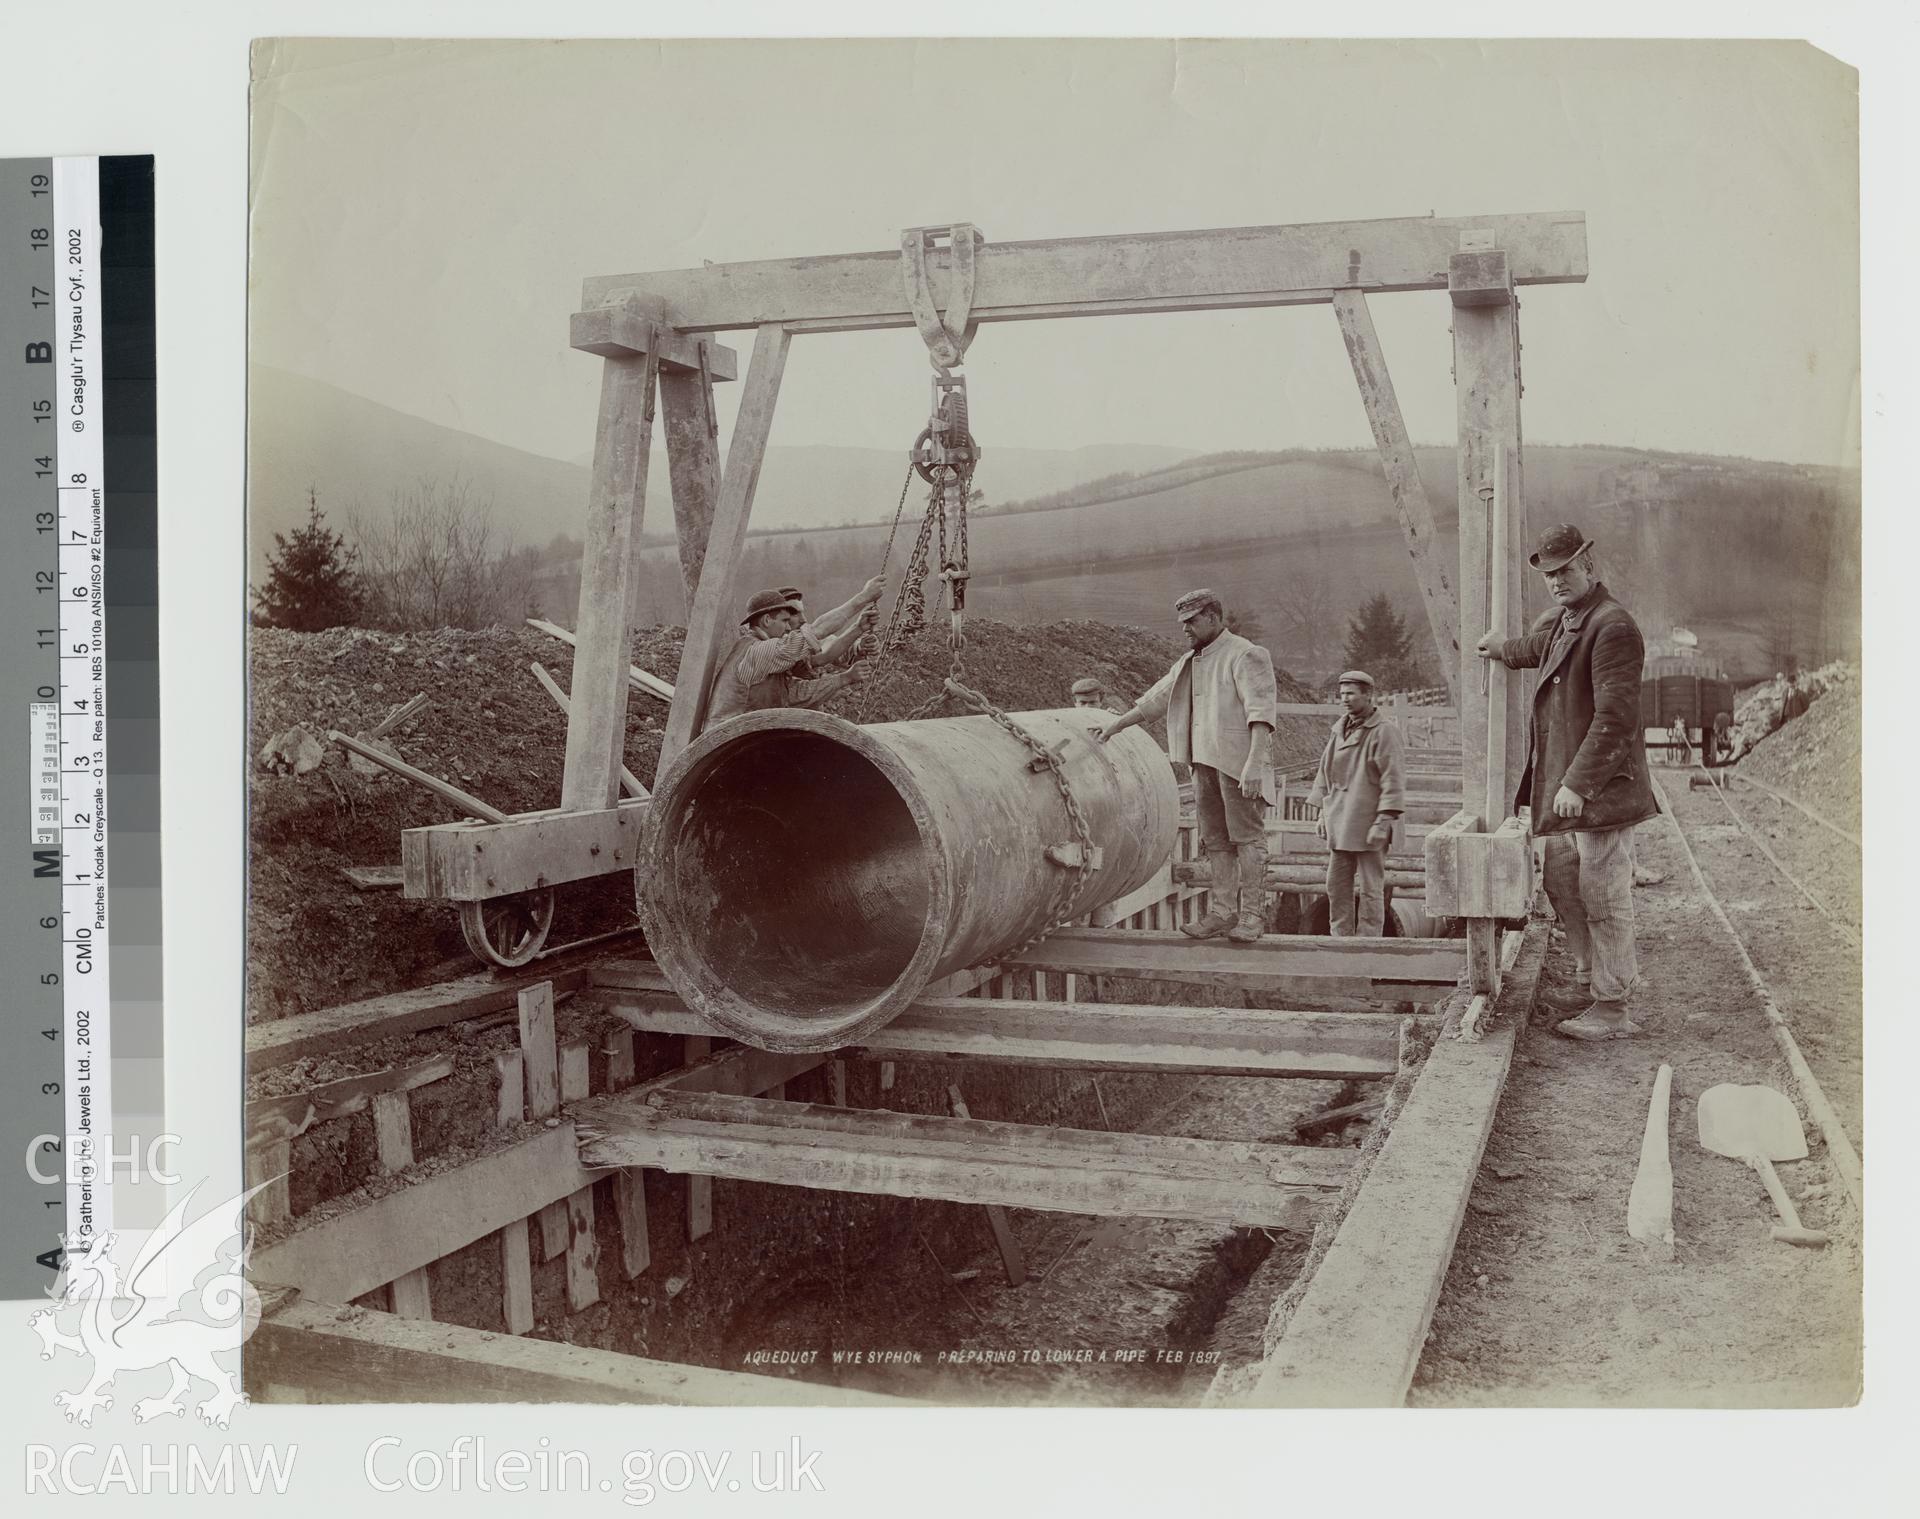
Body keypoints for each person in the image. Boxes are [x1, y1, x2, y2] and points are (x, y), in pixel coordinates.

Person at [1476, 524, 1658, 1041]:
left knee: (1602, 893)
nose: (1557, 582)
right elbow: (1543, 648)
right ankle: (1588, 977)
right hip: (1573, 789)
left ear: (1589, 567)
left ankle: (1614, 1005)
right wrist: (1502, 649)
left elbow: (1616, 719)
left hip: (1599, 790)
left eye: (1565, 571)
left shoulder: (1614, 626)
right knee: (1561, 880)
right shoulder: (1573, 619)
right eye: (1550, 575)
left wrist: (1577, 783)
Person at [1097, 588, 1277, 943]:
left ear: (1212, 616)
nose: (1185, 629)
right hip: (1203, 763)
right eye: (1182, 623)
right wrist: (1115, 725)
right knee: (1217, 841)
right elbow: (1156, 699)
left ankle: (1253, 915)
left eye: (1192, 621)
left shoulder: (1245, 654)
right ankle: (1223, 912)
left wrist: (1255, 763)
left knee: (1247, 838)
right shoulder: (1190, 662)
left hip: (1238, 765)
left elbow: (1261, 713)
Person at [703, 576, 886, 729]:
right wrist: (863, 597)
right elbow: (817, 631)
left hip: (740, 736)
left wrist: (857, 631)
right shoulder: (759, 651)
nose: (788, 626)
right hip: (730, 741)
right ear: (767, 620)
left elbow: (794, 693)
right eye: (784, 620)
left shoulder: (767, 655)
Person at [1305, 670, 1405, 936]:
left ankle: (1368, 941)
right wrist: (1322, 815)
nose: (1345, 699)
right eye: (1342, 694)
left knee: (1372, 888)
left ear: (1368, 695)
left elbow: (1393, 780)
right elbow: (1324, 773)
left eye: (1351, 693)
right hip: (1341, 821)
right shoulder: (1339, 730)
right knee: (1336, 885)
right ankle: (1341, 938)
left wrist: (1384, 821)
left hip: (1370, 823)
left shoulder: (1384, 732)